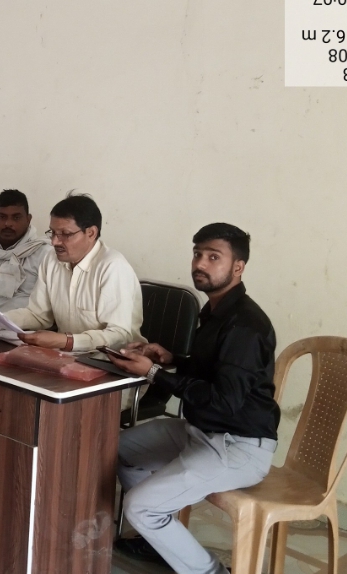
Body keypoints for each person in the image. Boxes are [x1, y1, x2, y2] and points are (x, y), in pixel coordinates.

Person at [112, 223, 281, 574]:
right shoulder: (216, 311)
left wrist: (154, 373)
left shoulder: (245, 325)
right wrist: (171, 359)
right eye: (197, 254)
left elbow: (225, 400)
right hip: (201, 431)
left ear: (238, 267)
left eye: (213, 257)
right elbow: (214, 373)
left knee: (140, 507)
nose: (200, 263)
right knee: (114, 450)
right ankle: (159, 536)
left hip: (238, 446)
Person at [0, 193, 142, 352]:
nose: (54, 242)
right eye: (53, 233)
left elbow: (119, 336)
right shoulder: (52, 259)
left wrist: (66, 341)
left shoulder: (113, 267)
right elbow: (38, 315)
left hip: (109, 361)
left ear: (91, 233)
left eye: (65, 234)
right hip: (65, 356)